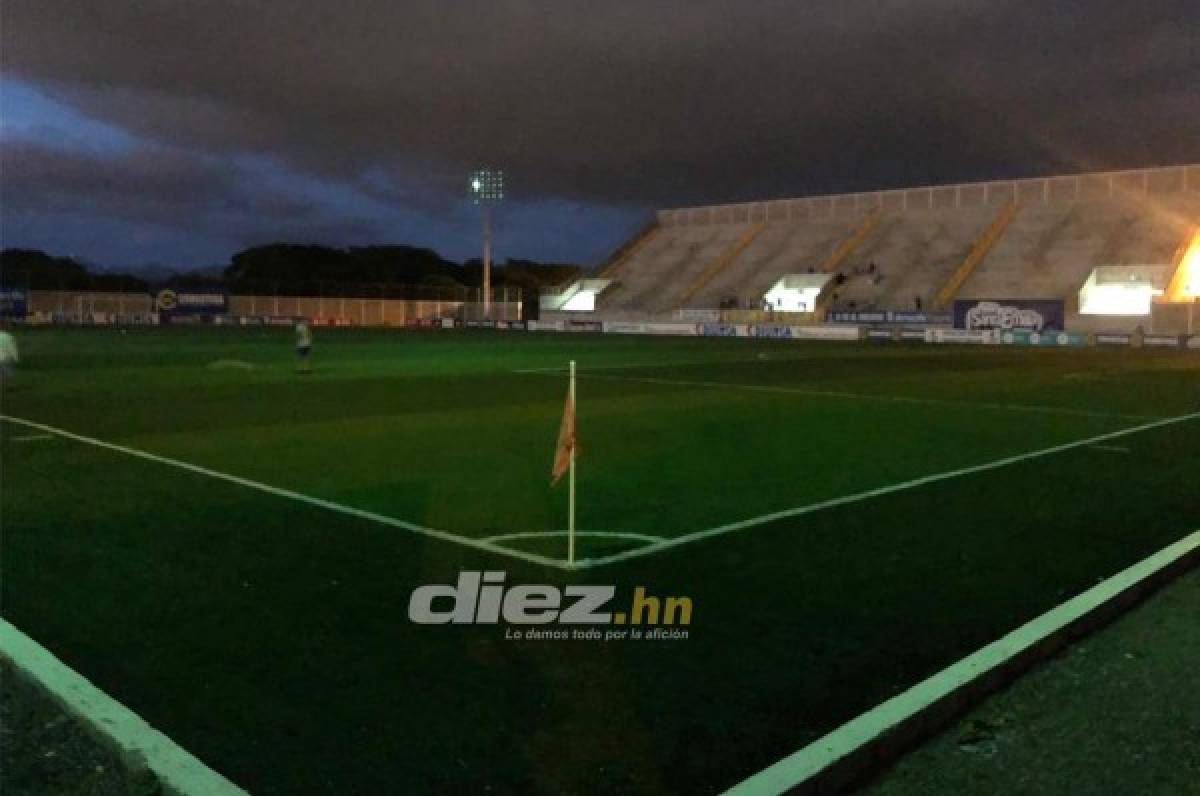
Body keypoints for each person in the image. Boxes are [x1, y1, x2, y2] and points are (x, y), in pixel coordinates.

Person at [0, 325, 18, 391]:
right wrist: (16, 358)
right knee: (9, 373)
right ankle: (10, 386)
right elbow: (12, 348)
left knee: (1, 374)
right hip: (6, 358)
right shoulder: (9, 337)